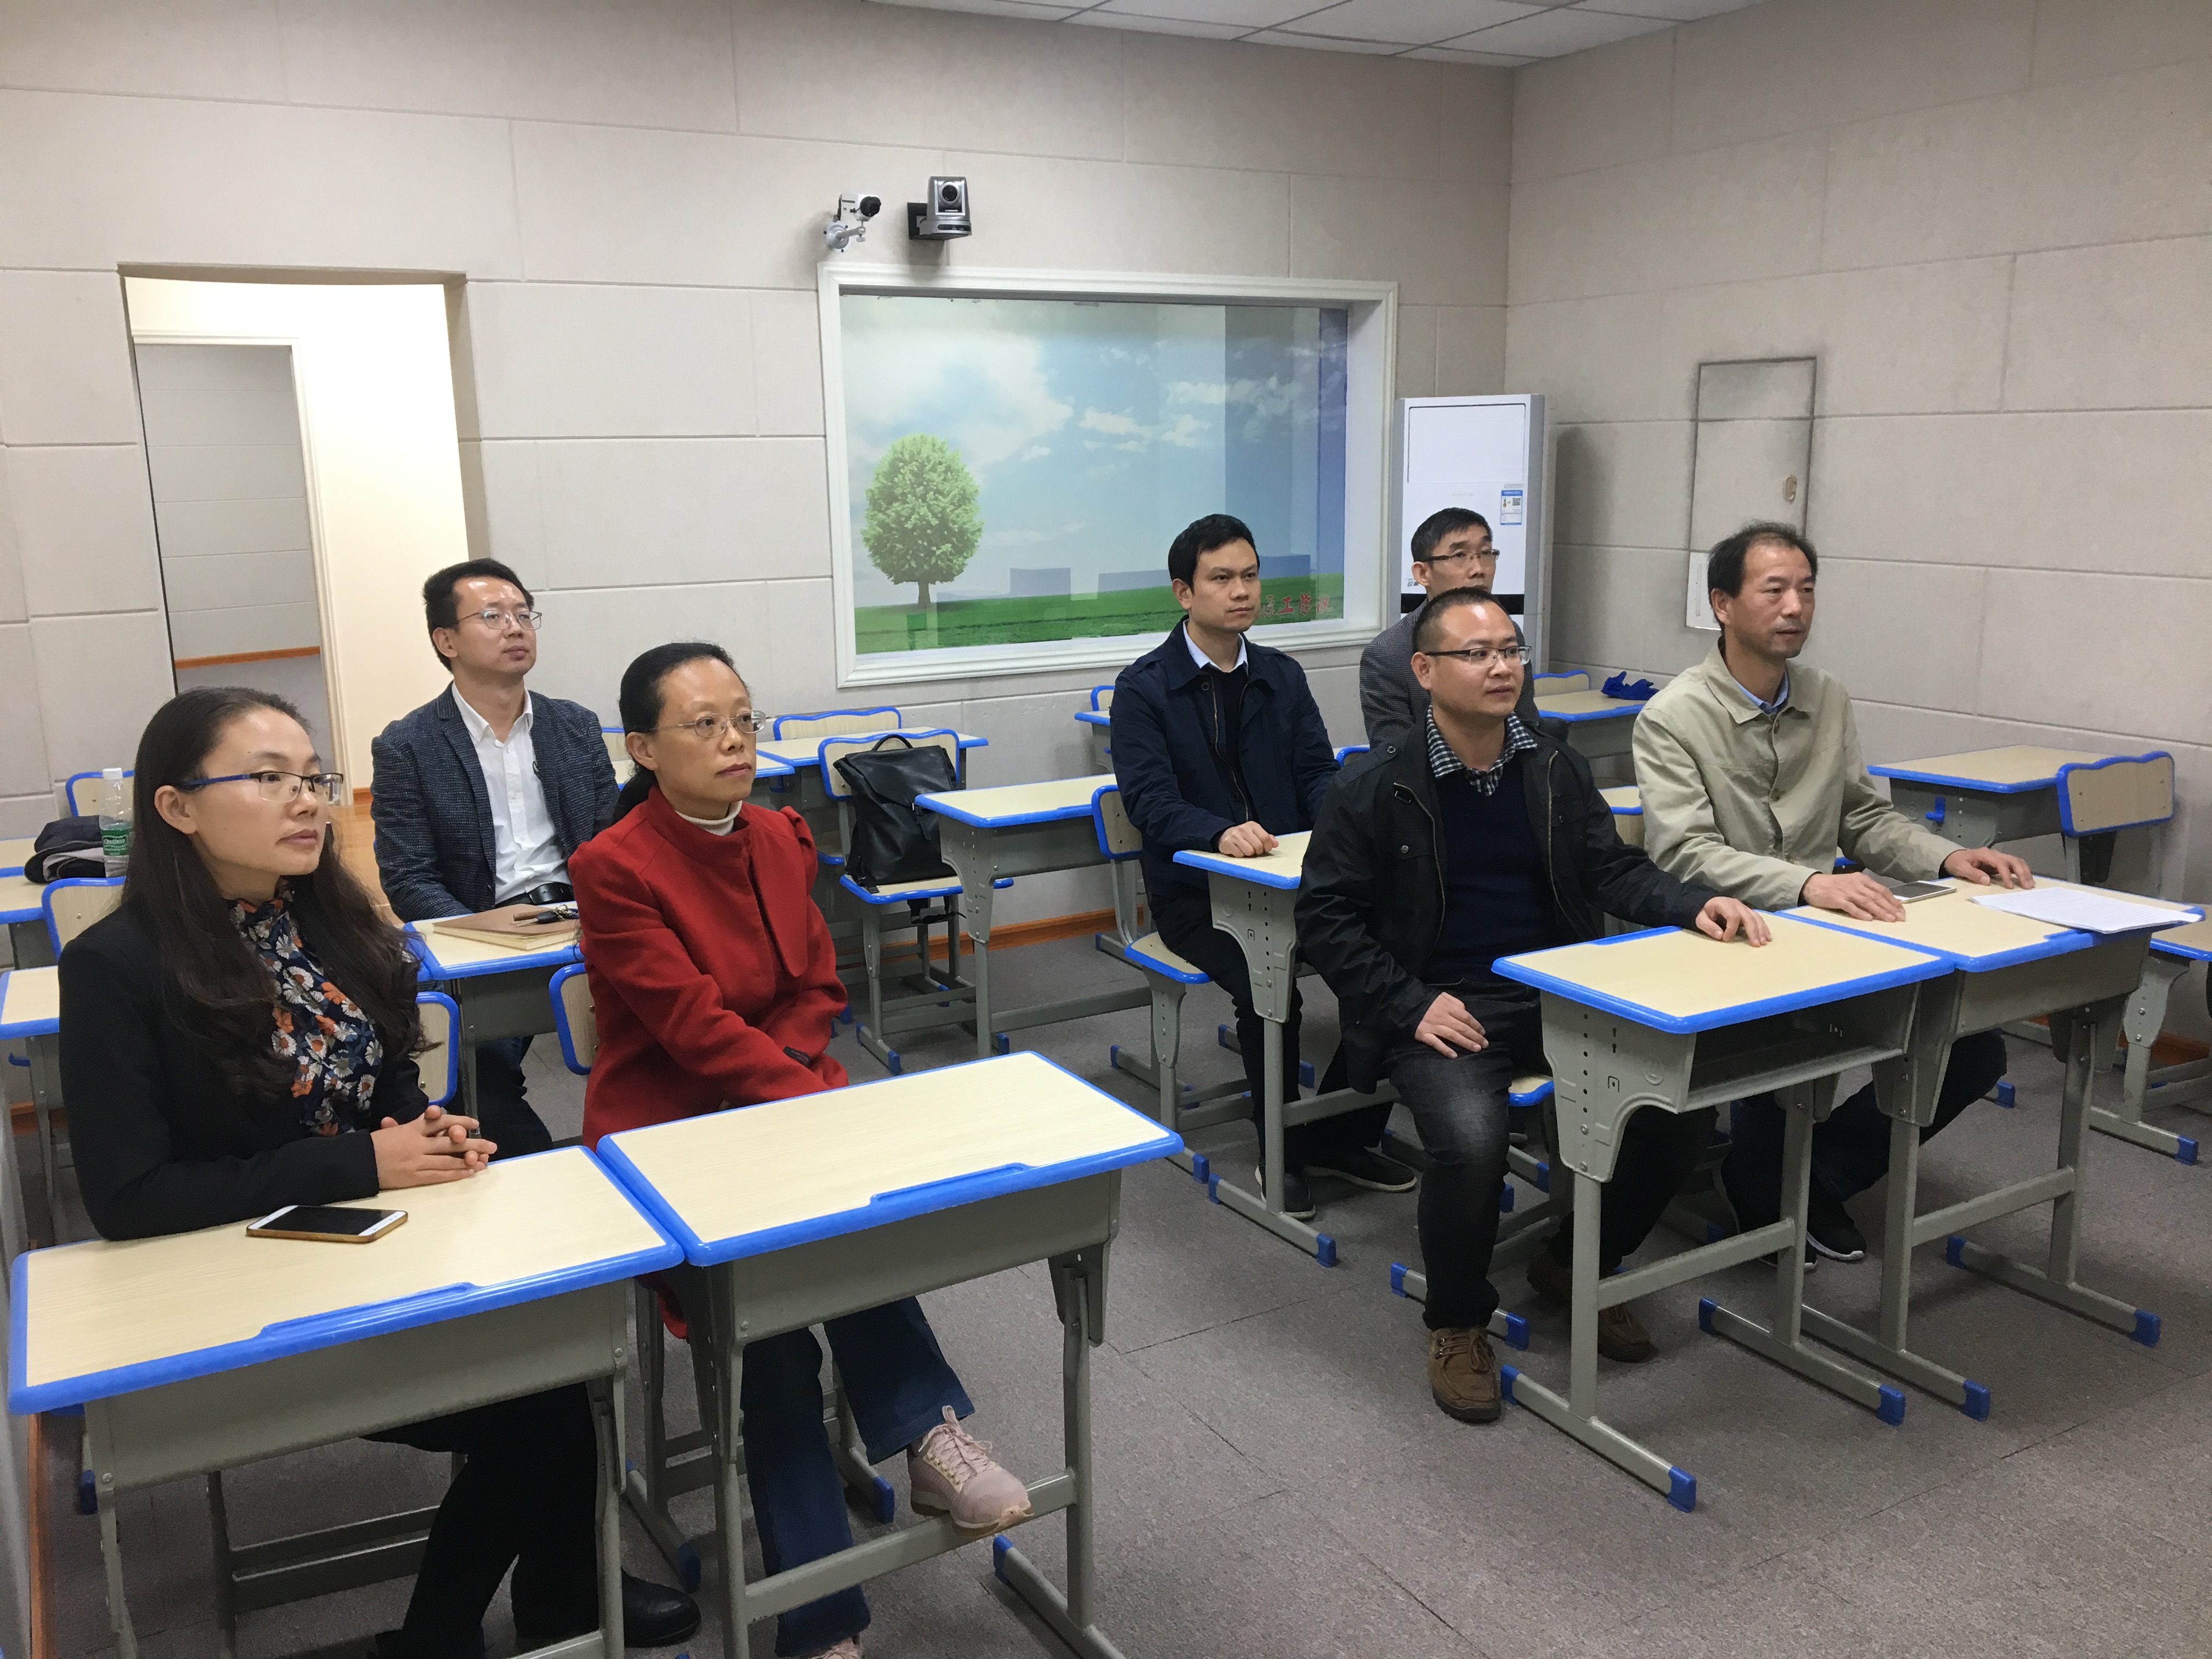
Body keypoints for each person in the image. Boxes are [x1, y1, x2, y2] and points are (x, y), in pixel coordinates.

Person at [59, 686, 697, 1659]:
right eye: (267, 778)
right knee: (536, 1411)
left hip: (378, 1244)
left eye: (313, 777)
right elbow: (130, 1195)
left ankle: (551, 1598)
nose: (307, 799)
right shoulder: (116, 965)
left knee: (560, 1351)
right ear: (176, 806)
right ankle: (463, 1626)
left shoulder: (330, 923)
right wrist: (361, 1159)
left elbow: (385, 1081)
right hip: (241, 1290)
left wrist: (425, 1131)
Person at [573, 642, 1031, 1659]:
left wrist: (802, 1098)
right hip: (673, 1135)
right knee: (767, 1333)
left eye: (743, 718)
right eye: (704, 724)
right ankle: (824, 1616)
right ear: (643, 748)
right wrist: (808, 1099)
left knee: (854, 1240)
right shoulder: (613, 867)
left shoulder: (782, 835)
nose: (734, 739)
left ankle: (928, 1436)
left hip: (784, 1105)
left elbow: (817, 988)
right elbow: (694, 1030)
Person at [1298, 587, 1770, 1424]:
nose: (1501, 667)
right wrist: (1409, 1004)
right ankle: (1456, 1321)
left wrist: (1692, 902)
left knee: (1678, 1110)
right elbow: (1327, 921)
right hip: (1443, 1003)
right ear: (1424, 671)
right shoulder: (1373, 785)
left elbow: (1609, 870)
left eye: (1510, 650)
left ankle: (1575, 1264)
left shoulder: (1553, 766)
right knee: (1472, 1143)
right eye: (1476, 654)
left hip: (1562, 991)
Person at [1634, 522, 2030, 1264]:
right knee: (1776, 1051)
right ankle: (1767, 1185)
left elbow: (1863, 816)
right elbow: (1685, 853)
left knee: (1972, 1052)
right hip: (1732, 936)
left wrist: (1949, 857)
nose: (1795, 607)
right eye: (1774, 590)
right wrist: (1808, 884)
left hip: (1829, 933)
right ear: (1723, 604)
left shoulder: (1827, 696)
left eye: (1806, 590)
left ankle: (1814, 1177)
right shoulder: (1675, 715)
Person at [1111, 514, 1413, 1221]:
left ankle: (1340, 1133)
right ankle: (1280, 1149)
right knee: (1266, 985)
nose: (1241, 591)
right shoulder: (1145, 688)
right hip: (1198, 895)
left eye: (1249, 576)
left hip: (1297, 882)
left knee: (1398, 957)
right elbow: (1151, 802)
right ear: (1184, 592)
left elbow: (1316, 773)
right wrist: (1218, 832)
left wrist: (1340, 826)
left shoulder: (1280, 674)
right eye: (1222, 578)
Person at [370, 558, 618, 1156]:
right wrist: (480, 928)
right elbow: (407, 876)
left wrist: (600, 908)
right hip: (483, 930)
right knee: (476, 1072)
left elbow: (613, 841)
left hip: (583, 915)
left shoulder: (575, 726)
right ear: (446, 641)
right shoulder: (407, 745)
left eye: (523, 614)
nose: (514, 627)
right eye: (491, 616)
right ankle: (544, 1169)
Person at [1359, 507, 1539, 744]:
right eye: (1460, 555)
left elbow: (1528, 727)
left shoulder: (1508, 633)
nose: (1479, 570)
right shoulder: (1388, 653)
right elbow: (1393, 753)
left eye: (1486, 553)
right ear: (1423, 573)